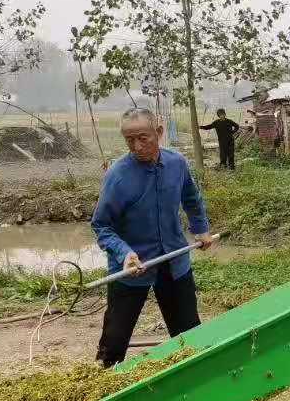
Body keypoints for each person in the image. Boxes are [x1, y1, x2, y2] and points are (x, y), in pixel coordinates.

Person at [91, 108, 214, 367]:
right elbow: (102, 225)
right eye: (129, 140)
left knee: (189, 335)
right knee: (114, 342)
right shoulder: (118, 175)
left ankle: (193, 380)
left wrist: (200, 228)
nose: (136, 146)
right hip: (132, 267)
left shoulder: (177, 163)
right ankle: (103, 385)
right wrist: (124, 254)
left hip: (174, 261)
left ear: (158, 133)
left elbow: (191, 198)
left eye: (143, 138)